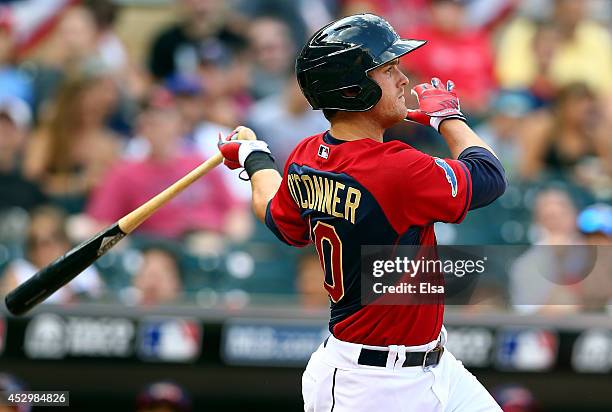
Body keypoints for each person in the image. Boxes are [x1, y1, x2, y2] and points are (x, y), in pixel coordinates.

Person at [218, 14, 506, 412]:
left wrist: (255, 160)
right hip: (369, 387)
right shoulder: (395, 167)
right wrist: (449, 118)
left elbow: (274, 214)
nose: (403, 79)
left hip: (436, 369)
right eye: (389, 70)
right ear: (354, 90)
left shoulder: (306, 156)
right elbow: (490, 177)